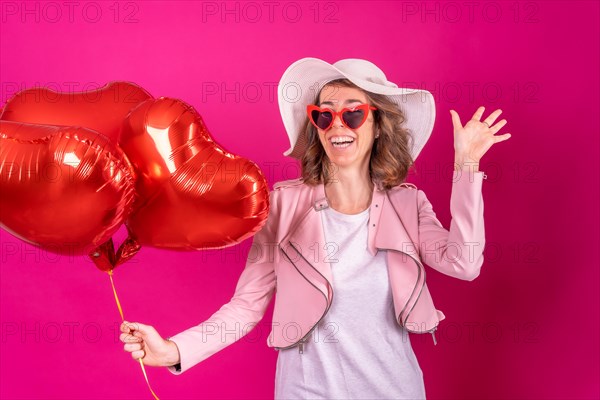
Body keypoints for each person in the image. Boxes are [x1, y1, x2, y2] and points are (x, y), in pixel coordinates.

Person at [119, 57, 511, 399]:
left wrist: (467, 165)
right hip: (305, 391)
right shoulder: (284, 206)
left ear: (377, 125)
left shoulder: (409, 204)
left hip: (394, 388)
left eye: (353, 113)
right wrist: (174, 350)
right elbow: (244, 308)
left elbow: (465, 263)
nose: (336, 124)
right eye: (324, 114)